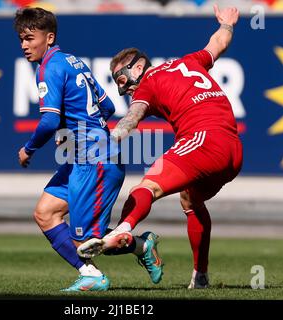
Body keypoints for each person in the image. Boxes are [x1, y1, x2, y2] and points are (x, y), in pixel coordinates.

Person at [78, 4, 242, 289]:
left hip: (204, 140)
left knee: (147, 187)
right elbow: (219, 42)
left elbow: (132, 117)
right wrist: (227, 24)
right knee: (190, 201)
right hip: (234, 150)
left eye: (122, 80)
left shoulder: (148, 83)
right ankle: (199, 276)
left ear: (138, 67)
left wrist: (109, 140)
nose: (122, 89)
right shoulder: (189, 61)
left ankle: (121, 230)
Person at [14, 7, 163, 291]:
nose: (24, 45)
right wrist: (72, 131)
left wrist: (29, 149)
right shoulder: (74, 62)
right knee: (46, 213)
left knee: (83, 241)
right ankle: (91, 273)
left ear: (49, 37)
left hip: (94, 159)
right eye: (21, 39)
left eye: (30, 38)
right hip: (85, 155)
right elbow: (106, 106)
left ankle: (139, 246)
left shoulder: (48, 68)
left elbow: (47, 120)